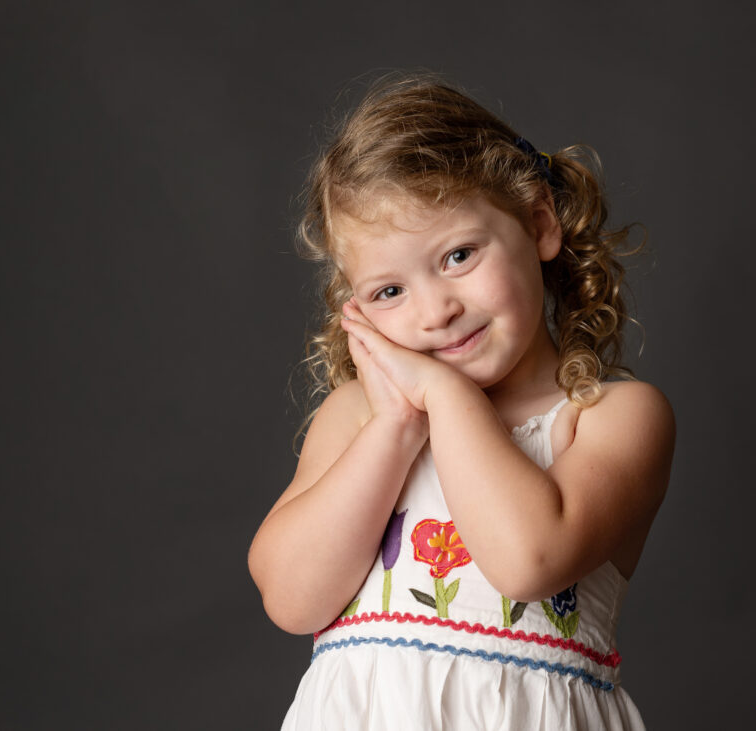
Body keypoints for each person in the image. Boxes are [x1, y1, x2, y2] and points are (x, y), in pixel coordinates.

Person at [248, 74, 676, 730]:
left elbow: (527, 557)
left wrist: (445, 396)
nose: (436, 311)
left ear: (538, 224)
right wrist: (395, 426)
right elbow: (290, 596)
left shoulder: (610, 418)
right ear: (355, 311)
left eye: (457, 255)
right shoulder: (362, 417)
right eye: (389, 291)